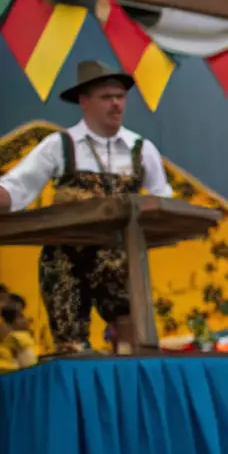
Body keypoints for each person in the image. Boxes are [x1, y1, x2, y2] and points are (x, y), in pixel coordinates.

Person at [0, 60, 174, 353]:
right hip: (66, 260)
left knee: (134, 343)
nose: (117, 104)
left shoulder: (142, 149)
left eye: (121, 96)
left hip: (121, 259)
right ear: (84, 101)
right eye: (107, 97)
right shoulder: (60, 145)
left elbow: (163, 199)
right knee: (71, 348)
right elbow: (15, 189)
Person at [0, 289, 39, 373]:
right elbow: (30, 369)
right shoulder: (19, 338)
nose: (26, 319)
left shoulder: (18, 338)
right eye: (20, 316)